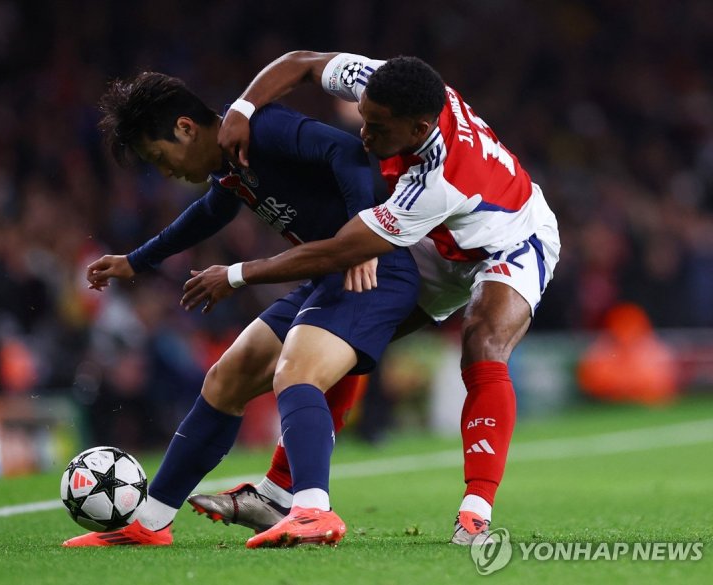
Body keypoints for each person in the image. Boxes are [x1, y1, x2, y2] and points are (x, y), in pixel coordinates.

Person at [181, 51, 561, 546]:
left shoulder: (439, 179)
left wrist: (236, 274)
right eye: (364, 118)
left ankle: (475, 515)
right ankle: (277, 492)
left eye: (379, 128)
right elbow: (300, 63)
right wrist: (244, 109)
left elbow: (339, 250)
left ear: (419, 126)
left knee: (482, 341)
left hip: (510, 236)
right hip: (439, 236)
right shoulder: (384, 85)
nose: (364, 134)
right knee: (350, 327)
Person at [62, 71, 420, 547]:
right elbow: (212, 211)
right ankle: (148, 523)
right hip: (329, 276)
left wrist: (362, 234)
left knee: (296, 373)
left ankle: (312, 511)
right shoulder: (231, 166)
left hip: (376, 271)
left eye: (158, 156)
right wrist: (136, 260)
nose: (164, 170)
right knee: (225, 379)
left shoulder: (263, 127)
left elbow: (347, 151)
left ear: (186, 128)